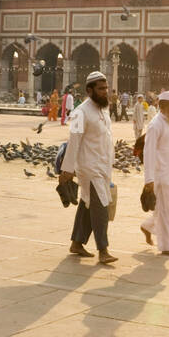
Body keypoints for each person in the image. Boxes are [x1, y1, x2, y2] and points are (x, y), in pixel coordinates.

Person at [61, 71, 116, 264]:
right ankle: (103, 249)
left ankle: (77, 243)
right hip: (89, 168)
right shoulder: (80, 112)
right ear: (89, 90)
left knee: (87, 204)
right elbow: (73, 141)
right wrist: (67, 170)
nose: (105, 92)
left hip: (102, 166)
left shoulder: (103, 109)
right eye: (101, 89)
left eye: (106, 88)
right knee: (101, 206)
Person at [140, 90, 169, 256]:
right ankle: (167, 246)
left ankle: (149, 225)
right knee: (166, 210)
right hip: (163, 174)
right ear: (163, 106)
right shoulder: (155, 125)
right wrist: (149, 179)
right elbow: (149, 152)